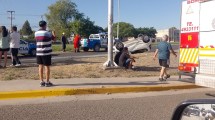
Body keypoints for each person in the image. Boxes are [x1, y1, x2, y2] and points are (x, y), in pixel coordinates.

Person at [35, 20, 56, 87]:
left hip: (39, 52)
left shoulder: (36, 33)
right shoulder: (48, 33)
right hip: (46, 52)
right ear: (45, 25)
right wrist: (54, 33)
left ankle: (41, 81)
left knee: (40, 67)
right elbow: (54, 39)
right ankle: (47, 82)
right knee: (47, 67)